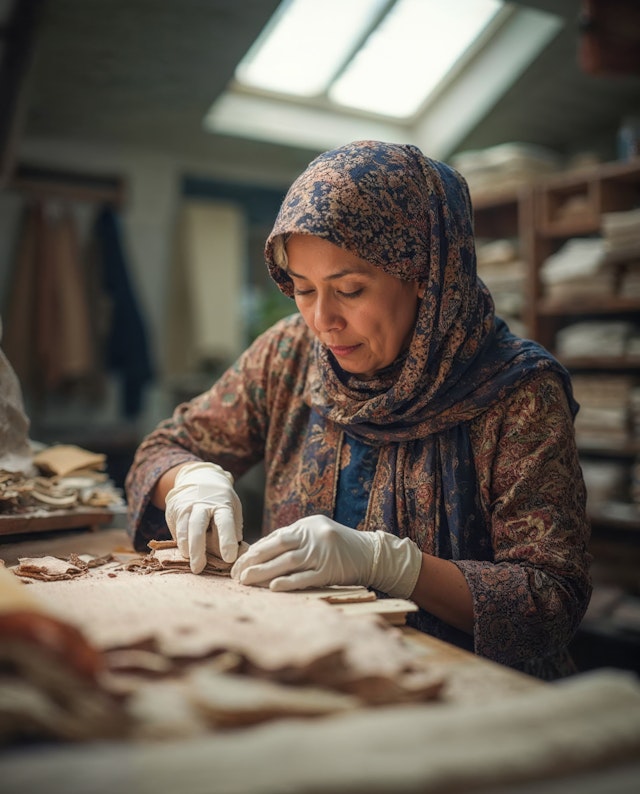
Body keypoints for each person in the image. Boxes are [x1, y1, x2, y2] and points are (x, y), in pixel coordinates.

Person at [125, 140, 592, 679]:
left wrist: (392, 565)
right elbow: (162, 449)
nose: (323, 320)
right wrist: (190, 480)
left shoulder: (518, 392)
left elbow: (550, 601)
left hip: (465, 696)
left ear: (425, 276)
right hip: (311, 670)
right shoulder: (289, 355)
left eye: (349, 289)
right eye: (301, 289)